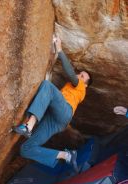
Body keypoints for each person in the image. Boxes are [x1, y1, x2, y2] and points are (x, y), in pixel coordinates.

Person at [13, 36, 92, 172]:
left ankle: (28, 126)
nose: (79, 75)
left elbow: (71, 74)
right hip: (57, 122)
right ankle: (65, 155)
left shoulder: (81, 88)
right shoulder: (71, 87)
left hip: (64, 112)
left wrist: (59, 50)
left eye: (82, 76)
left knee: (48, 86)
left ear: (85, 84)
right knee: (25, 149)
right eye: (80, 73)